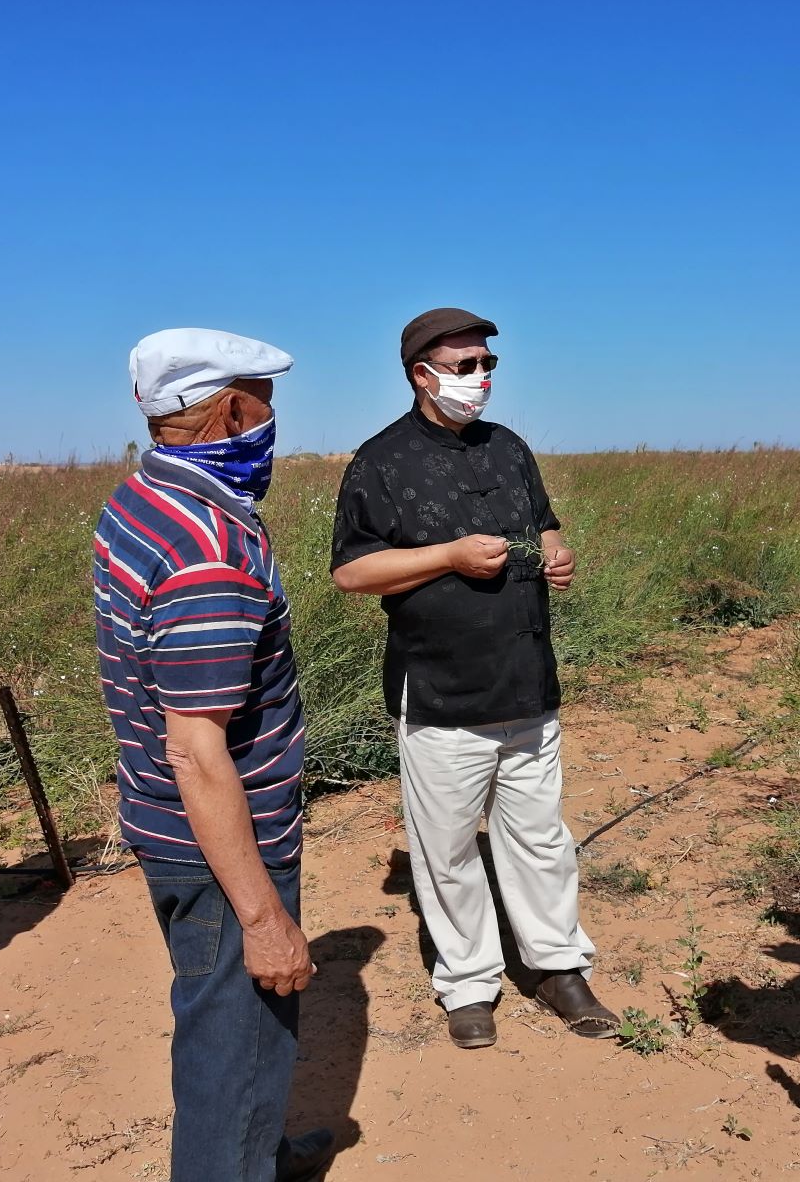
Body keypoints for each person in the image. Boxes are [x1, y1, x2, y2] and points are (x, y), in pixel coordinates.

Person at [329, 307, 615, 1049]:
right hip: (440, 695)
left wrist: (557, 554)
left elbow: (545, 525)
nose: (479, 380)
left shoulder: (510, 449)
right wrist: (446, 557)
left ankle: (558, 967)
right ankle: (469, 983)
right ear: (421, 374)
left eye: (487, 365)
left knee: (541, 839)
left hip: (526, 683)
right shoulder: (380, 463)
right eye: (464, 368)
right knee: (449, 848)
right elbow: (353, 571)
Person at [93, 328, 334, 1182]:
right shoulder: (207, 547)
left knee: (250, 1032)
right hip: (222, 846)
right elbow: (197, 749)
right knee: (232, 1038)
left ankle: (257, 1150)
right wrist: (265, 918)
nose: (272, 418)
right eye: (264, 400)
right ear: (233, 408)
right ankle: (232, 1160)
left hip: (174, 827)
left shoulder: (144, 498)